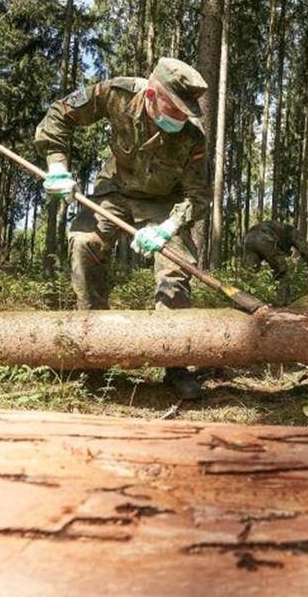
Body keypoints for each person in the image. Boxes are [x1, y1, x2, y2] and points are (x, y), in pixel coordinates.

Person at [35, 57, 210, 399]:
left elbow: (197, 196)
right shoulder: (116, 93)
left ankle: (174, 363)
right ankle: (93, 355)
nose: (178, 117)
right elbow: (61, 114)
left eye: (184, 111)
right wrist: (58, 166)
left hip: (163, 201)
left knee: (175, 265)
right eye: (172, 108)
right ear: (151, 93)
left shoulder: (192, 137)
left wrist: (169, 226)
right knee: (84, 243)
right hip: (114, 188)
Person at [240, 220, 308, 304]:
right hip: (265, 239)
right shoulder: (292, 231)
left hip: (249, 238)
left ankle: (242, 299)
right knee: (281, 270)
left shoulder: (277, 227)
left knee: (249, 271)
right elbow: (303, 247)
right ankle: (283, 302)